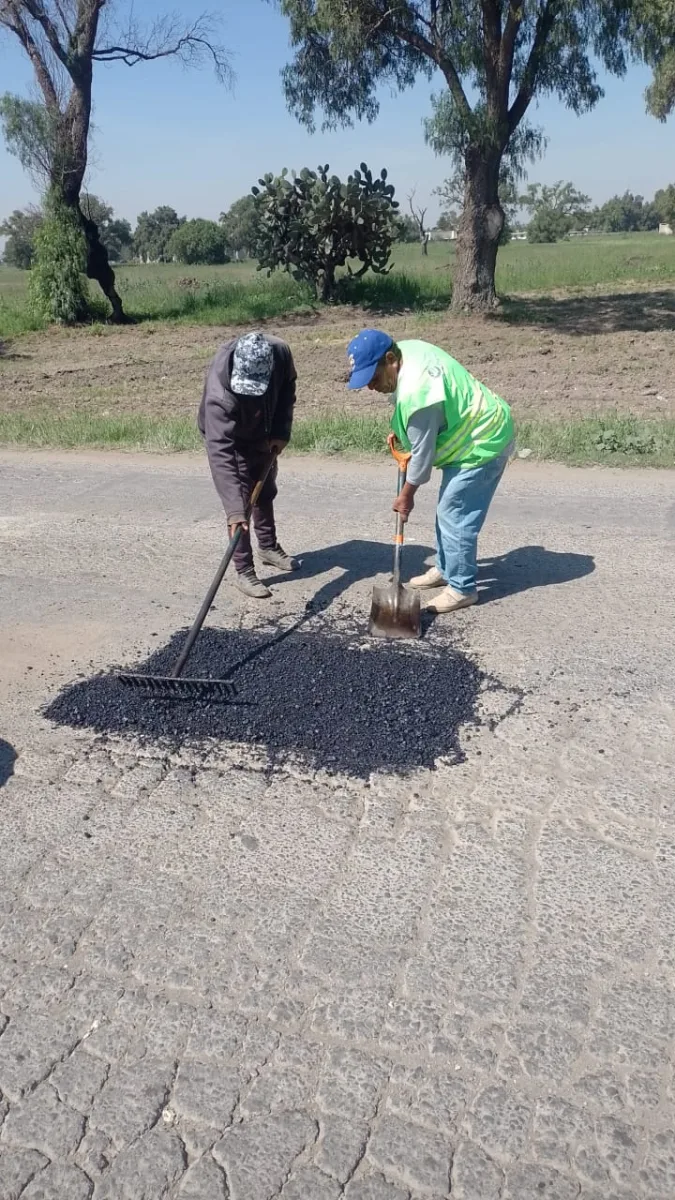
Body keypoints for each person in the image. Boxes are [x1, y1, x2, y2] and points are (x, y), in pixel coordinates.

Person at [346, 329, 514, 613]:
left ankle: (462, 588)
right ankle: (447, 568)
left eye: (373, 379)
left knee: (454, 513)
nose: (371, 388)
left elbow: (421, 459)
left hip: (483, 441)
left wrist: (406, 496)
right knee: (449, 509)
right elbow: (419, 423)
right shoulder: (407, 350)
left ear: (390, 359)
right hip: (472, 428)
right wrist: (405, 431)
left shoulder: (417, 396)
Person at [198, 331, 299, 598]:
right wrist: (233, 511)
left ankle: (267, 547)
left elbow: (288, 388)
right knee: (241, 502)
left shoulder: (280, 352)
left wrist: (280, 431)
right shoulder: (220, 397)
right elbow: (220, 452)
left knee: (264, 487)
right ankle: (244, 570)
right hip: (232, 437)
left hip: (264, 429)